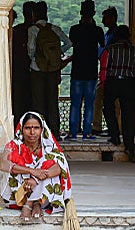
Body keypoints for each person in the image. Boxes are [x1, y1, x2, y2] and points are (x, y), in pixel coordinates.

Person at [0, 112, 72, 222]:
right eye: (28, 128)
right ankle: (33, 202)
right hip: (18, 197)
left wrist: (35, 179)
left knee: (52, 168)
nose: (32, 132)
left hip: (42, 195)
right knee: (10, 168)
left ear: (42, 129)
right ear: (21, 129)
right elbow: (2, 164)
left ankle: (32, 202)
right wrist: (32, 171)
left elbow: (59, 168)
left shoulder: (48, 147)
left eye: (36, 128)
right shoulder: (13, 145)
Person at [27, 1, 72, 139]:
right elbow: (69, 43)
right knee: (52, 101)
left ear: (34, 14)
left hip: (37, 69)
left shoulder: (33, 30)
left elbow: (31, 50)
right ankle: (55, 132)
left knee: (38, 101)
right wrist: (57, 55)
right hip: (53, 69)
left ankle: (39, 132)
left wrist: (35, 58)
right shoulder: (55, 29)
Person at [67, 0, 104, 141]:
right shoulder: (97, 30)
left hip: (77, 71)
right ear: (93, 13)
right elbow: (102, 45)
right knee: (89, 104)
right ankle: (87, 133)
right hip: (91, 73)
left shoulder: (74, 29)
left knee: (75, 104)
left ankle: (72, 133)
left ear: (80, 13)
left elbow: (71, 43)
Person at [100, 25, 135, 162]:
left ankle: (114, 135)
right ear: (128, 36)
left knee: (108, 108)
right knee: (128, 113)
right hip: (129, 82)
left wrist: (103, 84)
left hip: (112, 81)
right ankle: (129, 144)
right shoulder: (133, 51)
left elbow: (103, 68)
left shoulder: (109, 50)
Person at [92, 6, 118, 136]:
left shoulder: (114, 35)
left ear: (112, 18)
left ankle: (97, 127)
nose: (103, 21)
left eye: (105, 18)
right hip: (107, 72)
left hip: (109, 72)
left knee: (100, 100)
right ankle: (112, 127)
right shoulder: (108, 34)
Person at [12, 1, 35, 125]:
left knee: (19, 103)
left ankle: (19, 127)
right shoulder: (38, 30)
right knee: (34, 102)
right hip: (35, 72)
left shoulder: (16, 31)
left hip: (18, 72)